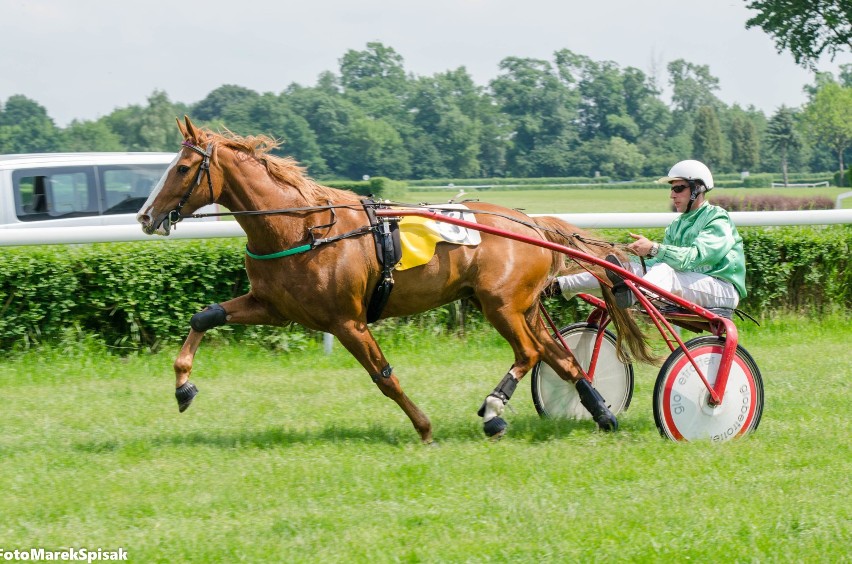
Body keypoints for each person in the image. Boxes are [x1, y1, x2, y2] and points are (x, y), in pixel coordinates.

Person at [554, 159, 746, 310]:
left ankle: (634, 294)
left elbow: (692, 258)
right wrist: (629, 257)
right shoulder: (676, 225)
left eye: (678, 188)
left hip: (722, 289)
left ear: (697, 188)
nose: (672, 195)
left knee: (665, 272)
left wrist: (654, 248)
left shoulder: (717, 218)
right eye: (671, 188)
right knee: (626, 269)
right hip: (690, 283)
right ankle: (557, 286)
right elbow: (659, 264)